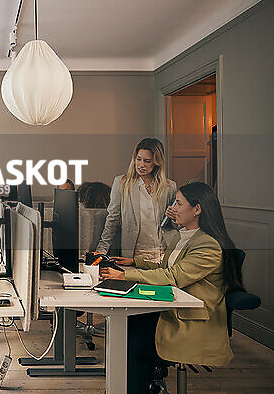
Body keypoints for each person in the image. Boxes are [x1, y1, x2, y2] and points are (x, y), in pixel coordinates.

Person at [100, 182, 243, 394]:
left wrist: (124, 275)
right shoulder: (183, 235)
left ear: (197, 209)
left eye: (178, 203)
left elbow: (173, 276)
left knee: (133, 341)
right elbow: (167, 267)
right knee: (126, 326)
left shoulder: (208, 245)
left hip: (190, 319)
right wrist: (135, 262)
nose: (172, 208)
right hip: (173, 307)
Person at [96, 138, 177, 265]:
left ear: (157, 162)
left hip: (165, 253)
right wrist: (102, 250)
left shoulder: (169, 187)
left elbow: (176, 224)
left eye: (147, 161)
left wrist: (174, 217)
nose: (141, 165)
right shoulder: (122, 183)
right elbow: (112, 219)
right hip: (134, 255)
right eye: (138, 159)